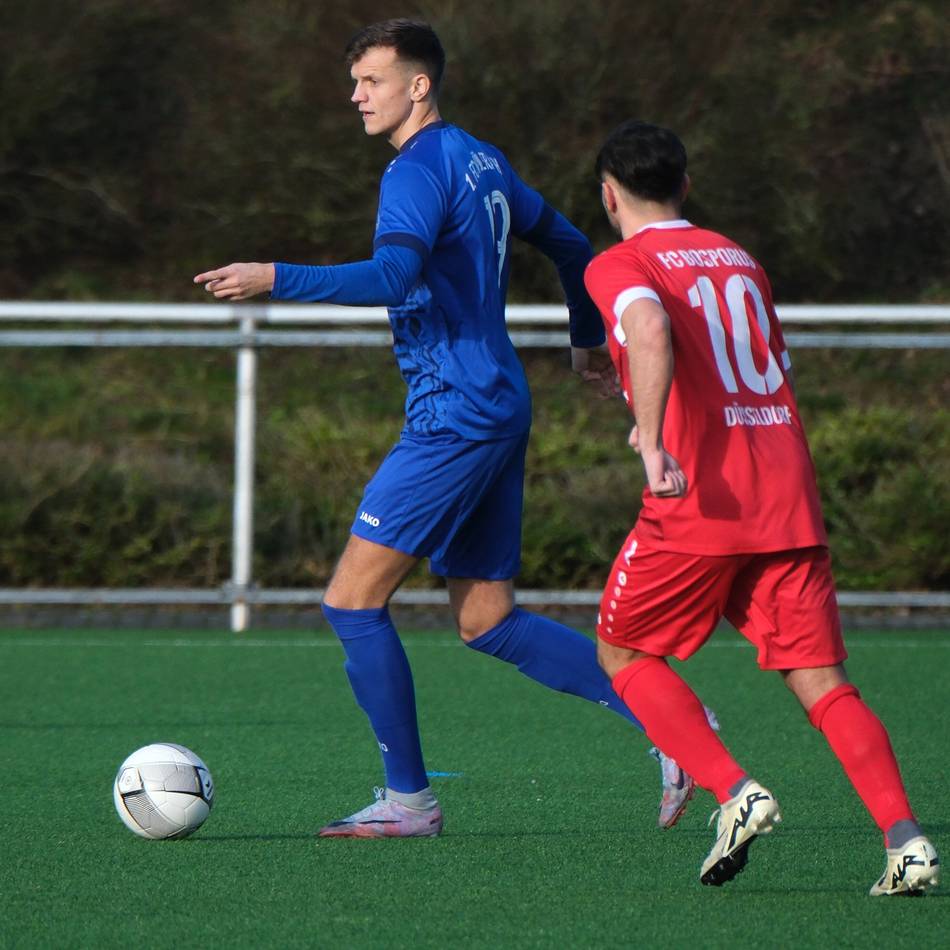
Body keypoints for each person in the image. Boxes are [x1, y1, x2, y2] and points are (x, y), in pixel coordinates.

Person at [194, 20, 707, 835]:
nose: (356, 96)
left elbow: (395, 275)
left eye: (371, 81)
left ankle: (408, 801)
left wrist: (274, 276)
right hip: (497, 402)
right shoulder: (482, 157)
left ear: (419, 85)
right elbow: (573, 242)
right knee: (486, 619)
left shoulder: (416, 170)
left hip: (455, 415)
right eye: (354, 82)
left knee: (351, 601)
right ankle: (678, 729)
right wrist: (585, 343)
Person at [583, 119, 940, 894]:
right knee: (823, 680)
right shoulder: (738, 256)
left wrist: (648, 440)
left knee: (623, 652)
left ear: (609, 196)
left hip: (702, 498)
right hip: (783, 490)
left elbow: (648, 327)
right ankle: (905, 840)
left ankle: (733, 789)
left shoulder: (620, 260)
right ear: (685, 186)